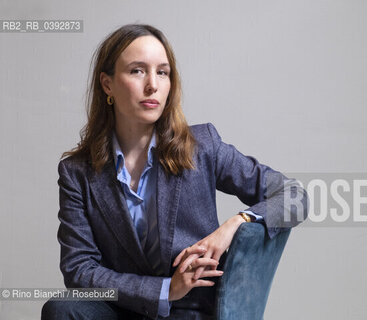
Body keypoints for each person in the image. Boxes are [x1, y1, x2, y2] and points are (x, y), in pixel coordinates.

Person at [41, 24, 307, 319]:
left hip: (191, 310)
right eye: (137, 71)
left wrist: (235, 224)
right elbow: (79, 270)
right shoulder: (77, 172)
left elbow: (294, 196)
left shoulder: (203, 146)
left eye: (163, 72)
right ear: (107, 84)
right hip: (123, 308)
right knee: (61, 309)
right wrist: (164, 290)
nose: (152, 85)